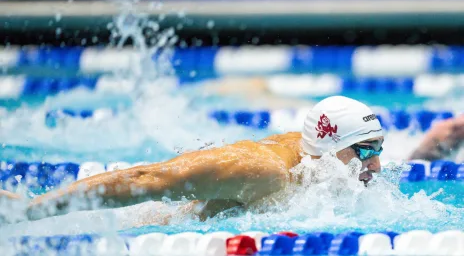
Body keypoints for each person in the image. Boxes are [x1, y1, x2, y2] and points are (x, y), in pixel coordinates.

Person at [1, 96, 384, 222]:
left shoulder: (314, 162)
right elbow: (144, 179)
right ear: (330, 146)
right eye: (365, 151)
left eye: (378, 150)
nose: (376, 166)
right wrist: (33, 210)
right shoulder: (263, 170)